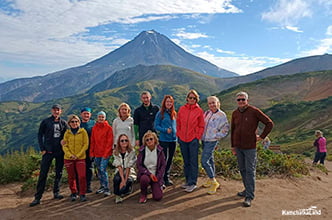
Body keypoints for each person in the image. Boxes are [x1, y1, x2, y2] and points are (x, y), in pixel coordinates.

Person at [231, 91, 274, 207]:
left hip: (250, 147)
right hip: (238, 147)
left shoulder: (254, 111)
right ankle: (246, 189)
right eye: (239, 100)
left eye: (243, 99)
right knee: (242, 169)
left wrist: (262, 137)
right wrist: (233, 146)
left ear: (247, 101)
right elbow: (233, 130)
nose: (241, 101)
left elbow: (269, 123)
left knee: (250, 171)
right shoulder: (235, 113)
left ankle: (249, 196)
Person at [30, 104, 68, 207]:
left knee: (59, 173)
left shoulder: (64, 123)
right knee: (43, 174)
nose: (56, 112)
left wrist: (66, 148)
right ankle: (38, 197)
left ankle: (56, 192)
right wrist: (42, 148)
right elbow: (39, 134)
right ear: (52, 111)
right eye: (55, 110)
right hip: (48, 152)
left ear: (61, 111)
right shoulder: (46, 122)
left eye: (58, 110)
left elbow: (67, 136)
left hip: (60, 152)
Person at [176, 90, 205, 193]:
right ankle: (188, 181)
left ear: (196, 99)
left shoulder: (199, 110)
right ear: (187, 98)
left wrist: (197, 136)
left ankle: (193, 183)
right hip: (182, 138)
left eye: (194, 98)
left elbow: (201, 125)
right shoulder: (182, 109)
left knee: (193, 161)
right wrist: (178, 134)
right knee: (186, 161)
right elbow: (178, 122)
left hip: (193, 139)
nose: (192, 99)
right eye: (190, 97)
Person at [201, 96, 229, 194]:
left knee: (204, 161)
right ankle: (211, 178)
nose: (212, 105)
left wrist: (216, 136)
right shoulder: (207, 113)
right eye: (210, 103)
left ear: (218, 103)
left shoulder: (222, 115)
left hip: (212, 141)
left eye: (213, 102)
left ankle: (214, 181)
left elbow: (225, 129)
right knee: (210, 159)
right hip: (204, 140)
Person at [62, 115, 89, 202]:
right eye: (72, 122)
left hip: (80, 158)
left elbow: (86, 144)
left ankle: (82, 193)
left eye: (76, 121)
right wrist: (70, 155)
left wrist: (78, 155)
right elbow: (64, 145)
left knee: (82, 176)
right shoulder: (67, 133)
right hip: (68, 158)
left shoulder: (83, 132)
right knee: (71, 177)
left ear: (79, 122)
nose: (74, 123)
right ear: (69, 123)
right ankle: (74, 193)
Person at [137, 131, 166, 203]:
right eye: (147, 140)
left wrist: (158, 176)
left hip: (156, 174)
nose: (149, 141)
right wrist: (149, 174)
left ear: (155, 140)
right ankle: (143, 194)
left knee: (158, 197)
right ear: (145, 142)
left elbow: (163, 165)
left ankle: (158, 186)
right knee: (144, 179)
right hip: (146, 174)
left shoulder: (160, 150)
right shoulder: (142, 150)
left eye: (151, 139)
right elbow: (139, 165)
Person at [154, 95, 177, 187]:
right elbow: (156, 126)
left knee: (170, 159)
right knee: (164, 159)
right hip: (164, 139)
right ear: (164, 103)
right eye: (167, 102)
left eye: (170, 102)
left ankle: (166, 177)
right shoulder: (160, 113)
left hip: (173, 139)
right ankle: (161, 178)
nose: (169, 103)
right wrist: (165, 130)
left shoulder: (174, 113)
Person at [90, 111, 113, 196]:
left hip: (105, 153)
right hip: (97, 153)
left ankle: (107, 188)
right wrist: (91, 153)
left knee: (103, 170)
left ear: (105, 118)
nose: (101, 118)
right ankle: (102, 186)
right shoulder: (94, 128)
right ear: (97, 118)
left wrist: (106, 153)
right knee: (99, 170)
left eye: (102, 117)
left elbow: (109, 142)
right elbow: (92, 141)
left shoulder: (108, 128)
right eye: (99, 117)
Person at [112, 134, 137, 204]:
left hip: (129, 171)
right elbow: (119, 166)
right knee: (116, 179)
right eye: (122, 141)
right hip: (120, 171)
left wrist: (124, 181)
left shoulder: (132, 151)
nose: (124, 142)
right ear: (119, 142)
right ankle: (117, 195)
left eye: (126, 140)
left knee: (127, 182)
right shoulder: (115, 152)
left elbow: (129, 166)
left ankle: (127, 189)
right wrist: (122, 180)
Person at [80, 107, 96, 193]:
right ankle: (81, 186)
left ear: (90, 115)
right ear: (81, 114)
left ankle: (88, 185)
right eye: (84, 113)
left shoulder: (93, 123)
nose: (86, 115)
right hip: (80, 149)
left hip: (91, 149)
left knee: (90, 167)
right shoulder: (78, 123)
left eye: (88, 114)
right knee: (81, 168)